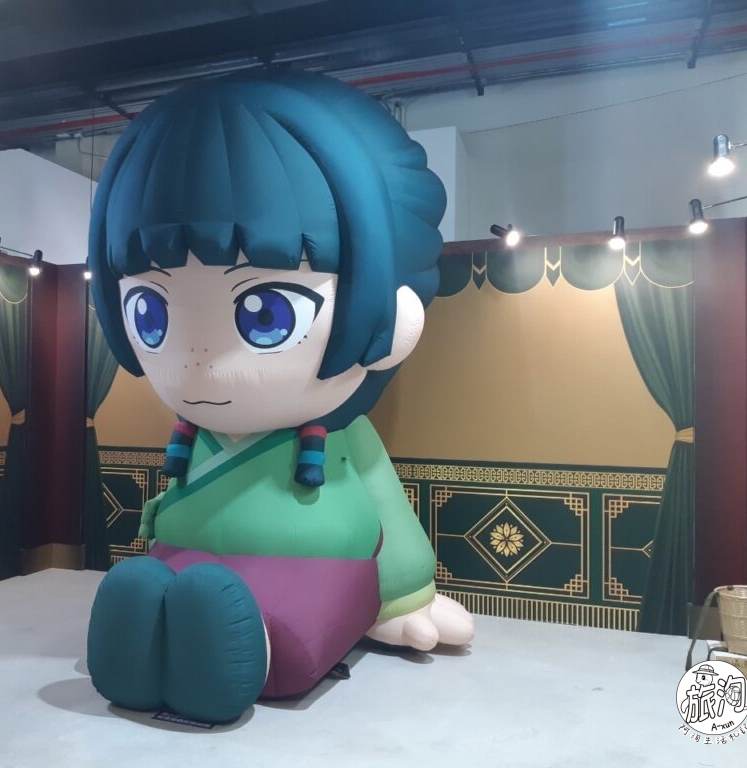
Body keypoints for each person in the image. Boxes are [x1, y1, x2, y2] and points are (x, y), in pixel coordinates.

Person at [87, 71, 473, 724]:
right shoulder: (197, 436)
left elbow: (386, 506)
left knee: (279, 629)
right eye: (149, 313)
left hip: (315, 569)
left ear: (391, 315)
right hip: (183, 556)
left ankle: (247, 654)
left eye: (265, 314)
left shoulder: (339, 439)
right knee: (153, 592)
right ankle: (146, 640)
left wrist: (404, 593)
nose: (195, 360)